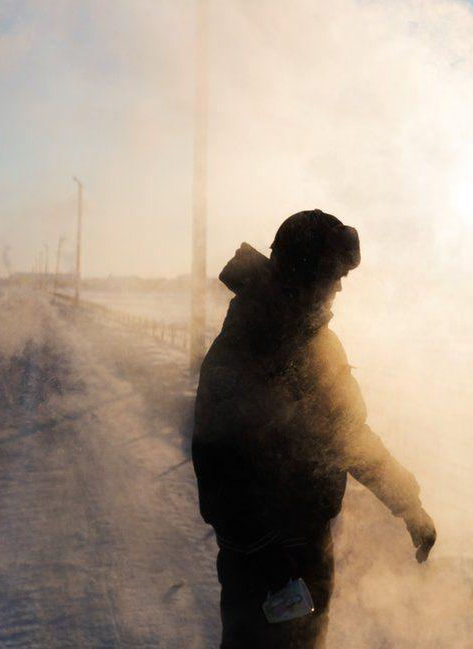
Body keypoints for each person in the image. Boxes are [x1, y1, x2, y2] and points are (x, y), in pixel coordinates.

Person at [192, 210, 436, 648]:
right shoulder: (246, 346)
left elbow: (348, 433)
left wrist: (408, 504)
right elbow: (217, 461)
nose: (340, 287)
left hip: (307, 552)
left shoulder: (317, 342)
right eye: (334, 275)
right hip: (262, 570)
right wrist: (268, 560)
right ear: (305, 273)